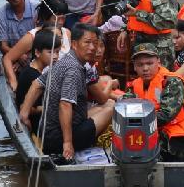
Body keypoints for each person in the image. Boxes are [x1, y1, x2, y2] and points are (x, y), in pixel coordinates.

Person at [20, 24, 115, 159]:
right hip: (56, 139)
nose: (93, 48)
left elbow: (37, 84)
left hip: (51, 129)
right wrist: (68, 143)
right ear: (74, 44)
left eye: (95, 43)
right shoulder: (73, 69)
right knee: (111, 109)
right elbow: (65, 104)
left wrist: (24, 113)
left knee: (109, 104)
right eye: (87, 43)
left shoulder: (64, 60)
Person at [125, 43, 184, 162]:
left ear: (158, 63)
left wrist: (133, 121)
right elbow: (124, 107)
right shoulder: (134, 85)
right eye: (140, 64)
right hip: (151, 132)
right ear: (135, 67)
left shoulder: (172, 82)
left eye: (149, 63)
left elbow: (165, 115)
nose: (145, 68)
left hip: (179, 140)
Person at [3, 0, 70, 92]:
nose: (61, 22)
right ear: (45, 17)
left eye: (63, 18)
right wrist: (13, 82)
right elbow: (7, 59)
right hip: (42, 85)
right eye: (57, 18)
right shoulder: (33, 36)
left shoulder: (67, 33)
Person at [15, 29, 61, 130]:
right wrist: (50, 108)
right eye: (50, 52)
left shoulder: (36, 70)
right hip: (38, 124)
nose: (55, 56)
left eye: (57, 52)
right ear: (37, 52)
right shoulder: (31, 75)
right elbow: (25, 107)